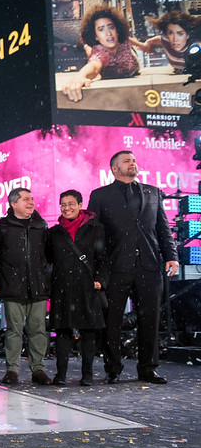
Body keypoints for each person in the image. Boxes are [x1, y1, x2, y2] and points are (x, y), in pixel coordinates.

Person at [88, 151, 179, 384]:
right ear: (114, 169)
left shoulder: (153, 192)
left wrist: (172, 256)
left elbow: (163, 228)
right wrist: (98, 269)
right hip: (116, 267)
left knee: (150, 319)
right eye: (127, 161)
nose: (133, 163)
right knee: (113, 321)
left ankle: (148, 368)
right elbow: (94, 235)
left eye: (134, 160)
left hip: (149, 265)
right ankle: (113, 367)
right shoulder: (100, 196)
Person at [46, 190, 107, 386]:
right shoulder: (54, 232)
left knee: (88, 333)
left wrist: (101, 280)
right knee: (63, 332)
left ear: (81, 205)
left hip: (88, 287)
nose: (67, 208)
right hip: (62, 287)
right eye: (63, 204)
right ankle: (61, 374)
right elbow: (48, 260)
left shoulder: (95, 228)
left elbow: (104, 259)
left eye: (71, 204)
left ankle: (87, 375)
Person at [0, 188, 51, 386]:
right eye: (26, 199)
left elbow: (48, 255)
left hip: (38, 286)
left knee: (38, 329)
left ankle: (38, 369)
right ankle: (12, 370)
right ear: (13, 203)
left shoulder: (40, 225)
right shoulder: (2, 226)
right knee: (14, 330)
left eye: (32, 199)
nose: (31, 202)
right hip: (12, 286)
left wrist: (45, 277)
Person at [62, 5, 143, 102]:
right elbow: (94, 66)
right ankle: (85, 45)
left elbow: (128, 39)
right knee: (91, 53)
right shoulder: (101, 53)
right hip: (104, 63)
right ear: (96, 36)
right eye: (101, 29)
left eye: (111, 27)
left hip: (133, 69)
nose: (108, 33)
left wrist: (143, 45)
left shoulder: (123, 41)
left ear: (117, 30)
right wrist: (81, 76)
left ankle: (86, 45)